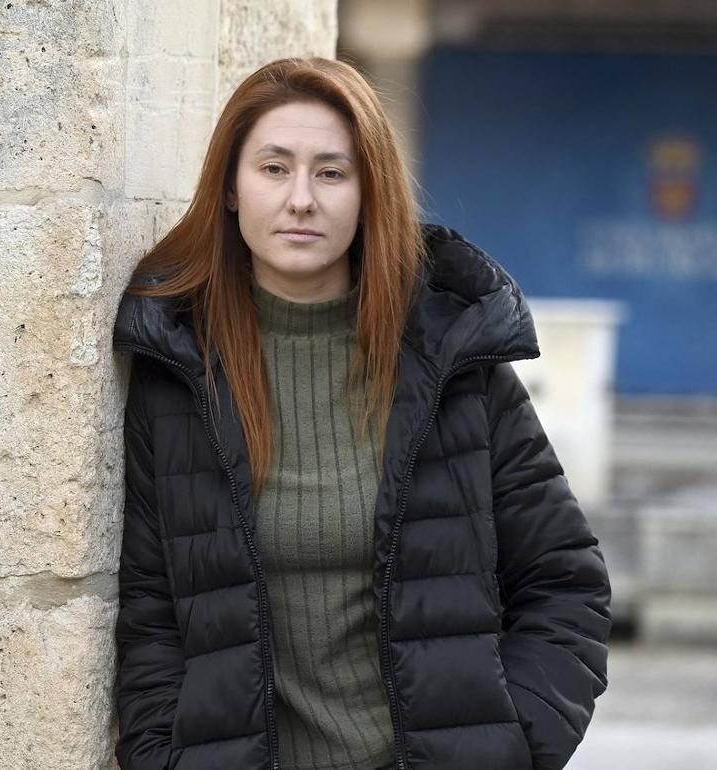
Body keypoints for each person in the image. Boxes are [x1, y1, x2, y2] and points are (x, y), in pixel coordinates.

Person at [109, 56, 612, 770]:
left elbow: (566, 582)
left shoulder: (451, 357)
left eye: (332, 173)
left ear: (369, 190)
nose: (302, 200)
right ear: (228, 188)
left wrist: (510, 749)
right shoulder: (179, 368)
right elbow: (154, 615)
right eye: (274, 168)